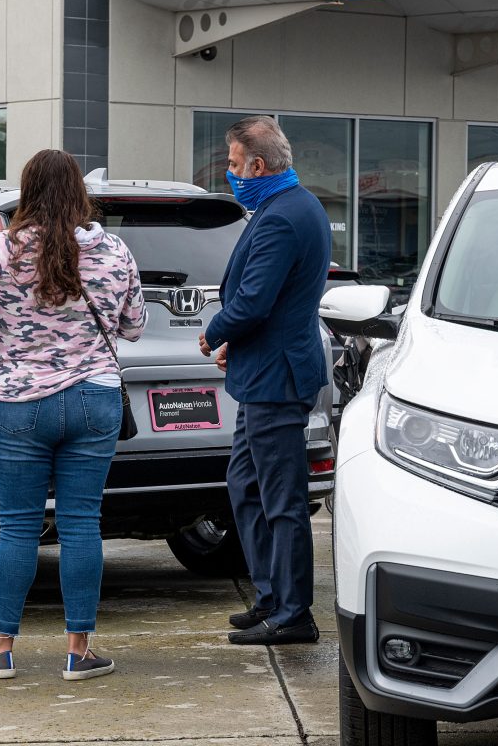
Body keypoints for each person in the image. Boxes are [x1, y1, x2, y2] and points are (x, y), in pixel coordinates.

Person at [0, 149, 145, 681]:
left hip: (19, 404)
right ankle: (79, 652)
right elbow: (133, 327)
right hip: (94, 399)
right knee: (82, 524)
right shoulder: (115, 250)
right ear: (80, 191)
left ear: (27, 191)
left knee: (17, 528)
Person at [199, 116, 331, 646]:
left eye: (233, 165)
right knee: (246, 487)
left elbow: (254, 300)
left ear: (257, 164)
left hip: (276, 378)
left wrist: (216, 331)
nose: (230, 174)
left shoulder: (282, 216)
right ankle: (273, 596)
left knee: (281, 500)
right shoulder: (291, 205)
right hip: (264, 371)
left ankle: (294, 613)